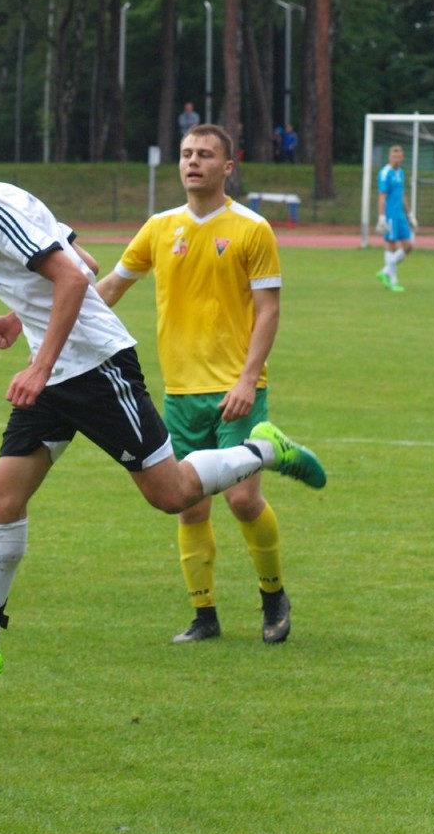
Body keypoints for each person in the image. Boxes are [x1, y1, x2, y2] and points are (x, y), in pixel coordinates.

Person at [0, 128, 325, 690]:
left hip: (95, 369)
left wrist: (39, 366)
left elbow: (73, 276)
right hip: (60, 375)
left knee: (170, 494)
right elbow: (87, 261)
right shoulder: (3, 201)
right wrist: (20, 319)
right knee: (1, 499)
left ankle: (264, 449)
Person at [96, 123, 321, 646]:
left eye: (204, 154)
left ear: (228, 167)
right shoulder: (158, 227)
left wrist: (247, 379)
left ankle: (273, 597)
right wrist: (43, 325)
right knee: (187, 505)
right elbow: (108, 289)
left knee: (242, 500)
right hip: (179, 394)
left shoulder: (251, 228)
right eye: (186, 154)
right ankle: (205, 615)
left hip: (236, 390)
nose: (193, 162)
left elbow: (269, 311)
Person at [375, 145, 416, 292]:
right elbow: (382, 196)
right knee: (391, 247)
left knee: (408, 246)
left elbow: (402, 194)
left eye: (398, 157)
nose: (396, 159)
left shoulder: (401, 173)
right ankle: (394, 282)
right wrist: (382, 217)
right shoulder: (385, 173)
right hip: (390, 215)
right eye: (393, 157)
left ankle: (384, 272)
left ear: (402, 158)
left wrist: (410, 214)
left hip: (401, 216)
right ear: (389, 158)